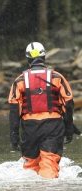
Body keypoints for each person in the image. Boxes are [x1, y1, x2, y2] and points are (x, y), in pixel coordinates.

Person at [8, 42, 74, 178]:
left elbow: (14, 109)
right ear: (44, 57)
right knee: (49, 164)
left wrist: (14, 135)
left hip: (29, 128)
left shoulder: (19, 81)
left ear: (28, 59)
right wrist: (69, 129)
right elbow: (68, 104)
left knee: (30, 167)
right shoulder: (57, 77)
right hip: (53, 126)